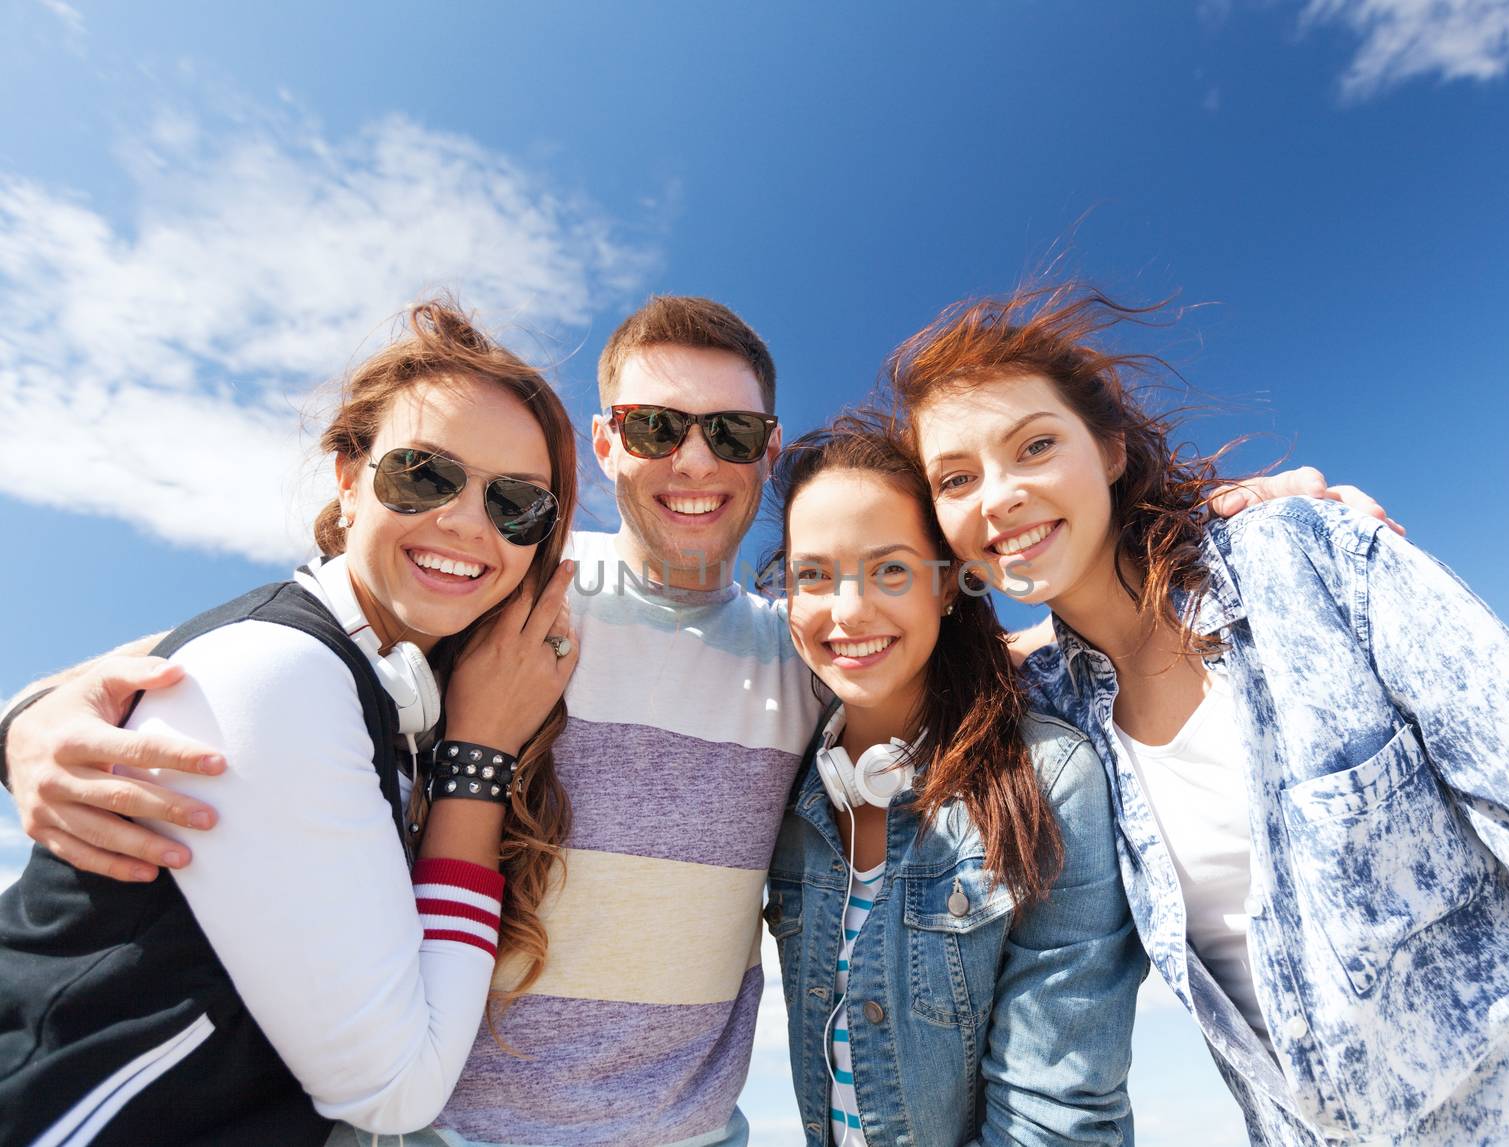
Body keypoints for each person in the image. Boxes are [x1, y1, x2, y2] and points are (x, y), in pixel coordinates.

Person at [0, 292, 1383, 1145]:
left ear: (765, 453)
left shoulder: (801, 651)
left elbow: (968, 639)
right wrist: (31, 714)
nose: (694, 462)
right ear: (603, 445)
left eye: (730, 434)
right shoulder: (507, 596)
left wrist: (1201, 536)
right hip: (441, 1128)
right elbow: (278, 646)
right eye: (657, 428)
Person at [887, 282, 1509, 1145]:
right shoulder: (1045, 713)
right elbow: (839, 650)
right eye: (957, 479)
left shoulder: (1312, 561)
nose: (997, 495)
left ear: (1110, 449)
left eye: (1035, 445)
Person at [0, 300, 581, 1146]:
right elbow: (396, 1089)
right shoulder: (286, 672)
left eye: (516, 504)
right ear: (348, 476)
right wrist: (479, 758)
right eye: (424, 474)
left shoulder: (374, 678)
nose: (465, 522)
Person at [764, 416, 1142, 1146]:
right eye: (812, 574)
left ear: (946, 587)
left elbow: (1055, 1120)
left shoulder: (1050, 782)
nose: (848, 611)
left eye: (891, 569)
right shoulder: (789, 787)